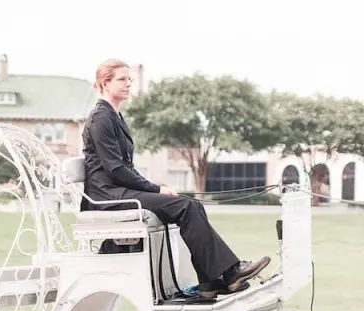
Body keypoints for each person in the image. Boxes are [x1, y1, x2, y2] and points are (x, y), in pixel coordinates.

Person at [81, 59, 271, 298]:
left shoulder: (114, 116)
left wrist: (154, 189)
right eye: (122, 79)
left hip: (118, 190)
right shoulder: (101, 117)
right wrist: (155, 189)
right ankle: (230, 273)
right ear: (104, 83)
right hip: (106, 195)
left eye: (130, 79)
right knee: (184, 206)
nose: (128, 84)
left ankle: (210, 284)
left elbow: (124, 168)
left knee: (193, 205)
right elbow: (115, 169)